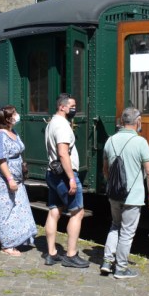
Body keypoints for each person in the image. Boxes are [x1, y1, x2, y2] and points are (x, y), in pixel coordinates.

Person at [101, 107, 149, 279]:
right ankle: (121, 268)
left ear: (122, 122)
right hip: (133, 197)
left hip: (114, 194)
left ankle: (106, 262)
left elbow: (105, 170)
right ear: (138, 121)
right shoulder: (140, 142)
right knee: (126, 232)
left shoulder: (110, 140)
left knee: (115, 226)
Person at [44, 93, 89, 268]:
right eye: (72, 106)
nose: (74, 108)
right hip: (64, 175)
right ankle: (71, 255)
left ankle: (51, 253)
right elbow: (63, 152)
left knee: (54, 211)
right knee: (77, 212)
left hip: (52, 173)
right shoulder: (62, 126)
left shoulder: (51, 123)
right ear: (62, 107)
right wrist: (71, 178)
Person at [0, 105, 37, 256]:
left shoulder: (13, 132)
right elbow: (1, 160)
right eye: (14, 113)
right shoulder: (0, 136)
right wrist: (10, 179)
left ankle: (0, 239)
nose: (17, 115)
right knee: (6, 210)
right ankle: (7, 246)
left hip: (17, 179)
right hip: (3, 180)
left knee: (17, 208)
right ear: (7, 119)